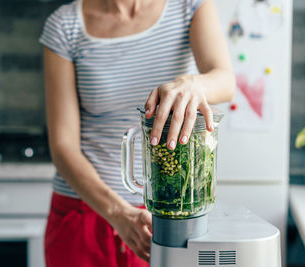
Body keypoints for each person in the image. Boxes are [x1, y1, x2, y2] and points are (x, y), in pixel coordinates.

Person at [39, 0, 235, 266]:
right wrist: (119, 214)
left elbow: (224, 79)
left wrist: (192, 83)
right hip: (85, 212)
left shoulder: (189, 5)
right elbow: (63, 146)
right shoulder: (65, 26)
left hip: (166, 216)